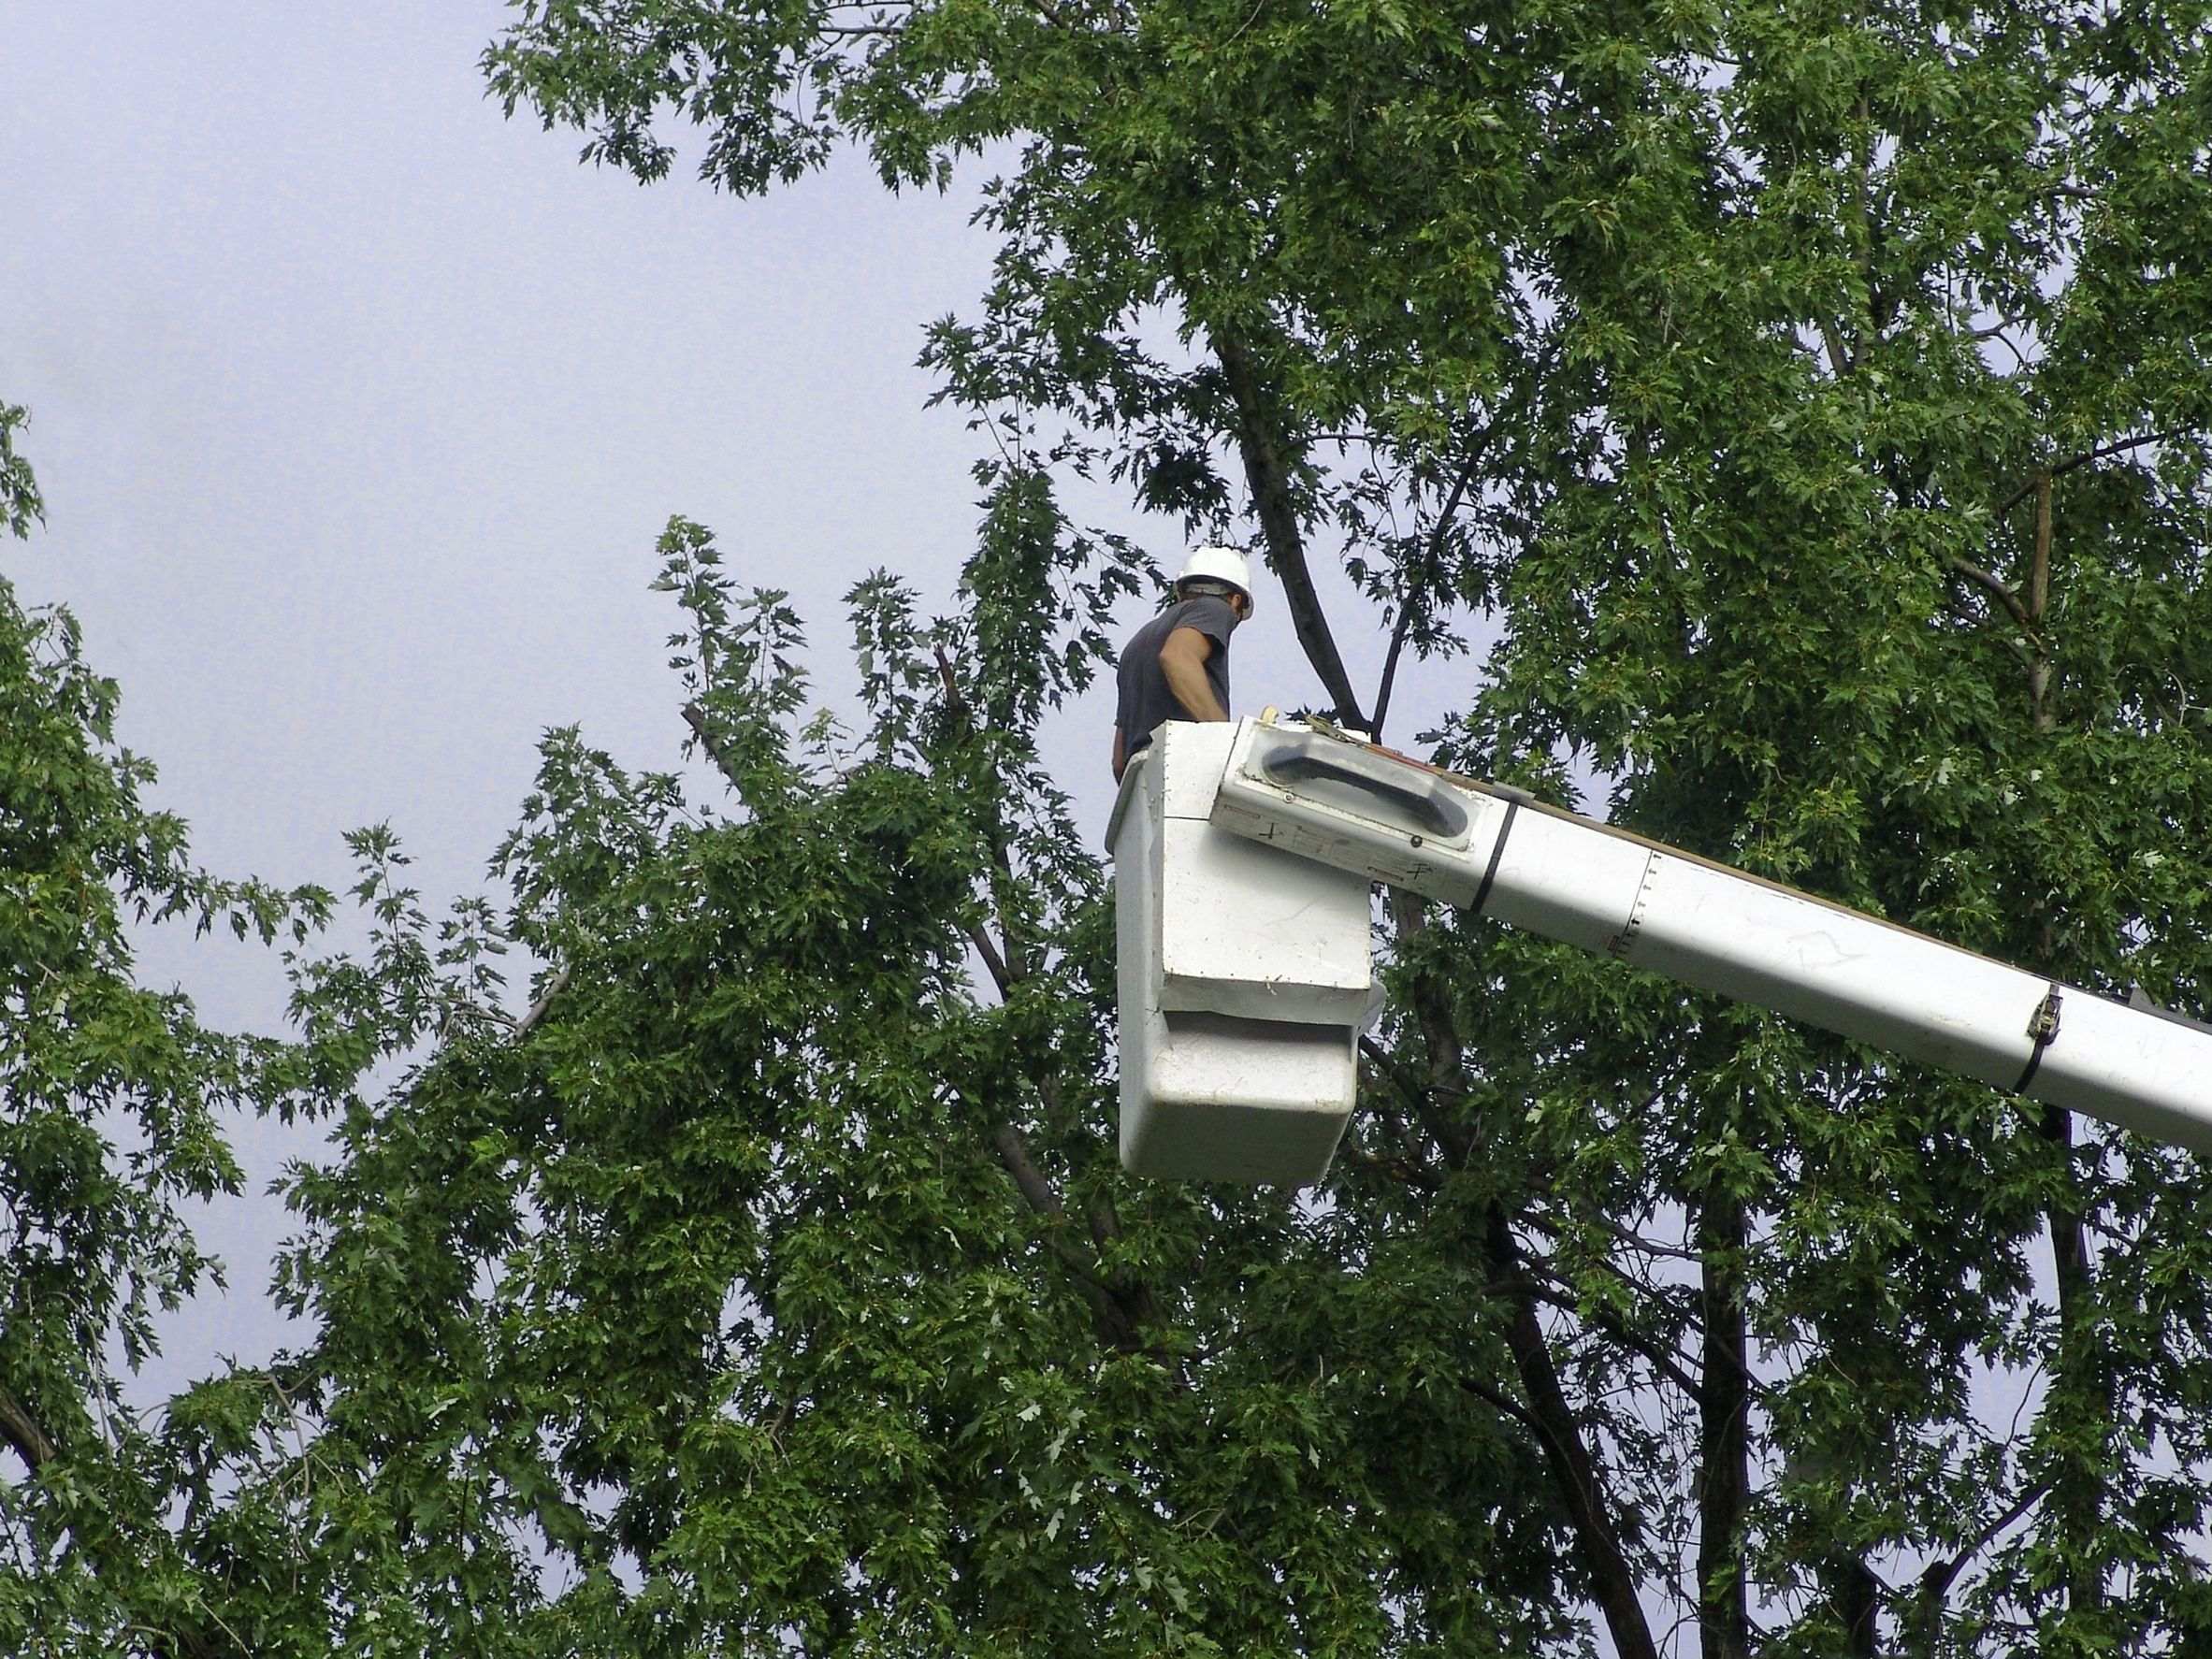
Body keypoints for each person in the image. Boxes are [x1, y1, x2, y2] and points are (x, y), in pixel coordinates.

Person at [1112, 545, 1254, 782]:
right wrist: (1224, 739)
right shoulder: (1216, 609)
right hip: (1185, 764)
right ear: (1236, 600)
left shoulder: (1139, 641)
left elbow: (1119, 762)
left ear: (1181, 592)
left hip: (1141, 778)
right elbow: (1177, 657)